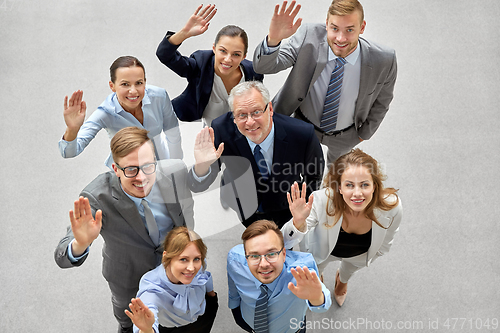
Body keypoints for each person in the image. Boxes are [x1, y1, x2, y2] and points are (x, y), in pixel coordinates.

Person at [54, 127, 194, 333]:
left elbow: (189, 206)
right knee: (128, 322)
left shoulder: (175, 172)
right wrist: (80, 243)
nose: (141, 177)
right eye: (131, 169)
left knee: (178, 313)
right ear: (115, 169)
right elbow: (61, 256)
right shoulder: (96, 196)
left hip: (175, 268)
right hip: (128, 277)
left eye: (148, 166)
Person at [253, 0, 397, 166]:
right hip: (300, 123)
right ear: (327, 24)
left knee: (336, 177)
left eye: (350, 30)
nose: (341, 38)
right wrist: (273, 39)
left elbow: (382, 101)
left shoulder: (384, 60)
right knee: (291, 168)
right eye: (334, 28)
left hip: (346, 135)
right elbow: (264, 66)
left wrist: (363, 134)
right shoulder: (309, 36)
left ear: (362, 27)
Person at [189, 81, 324, 228]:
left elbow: (314, 175)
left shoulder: (302, 134)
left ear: (270, 109)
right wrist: (201, 166)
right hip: (244, 203)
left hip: (286, 207)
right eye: (241, 115)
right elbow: (198, 186)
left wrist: (302, 206)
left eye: (256, 112)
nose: (250, 122)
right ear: (233, 117)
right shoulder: (220, 129)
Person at [282, 148, 402, 306]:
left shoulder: (391, 207)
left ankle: (342, 282)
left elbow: (387, 240)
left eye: (364, 185)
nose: (357, 193)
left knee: (348, 271)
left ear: (374, 186)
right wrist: (297, 222)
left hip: (359, 256)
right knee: (316, 271)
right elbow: (284, 242)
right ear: (339, 187)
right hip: (322, 251)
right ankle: (320, 278)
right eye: (349, 185)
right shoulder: (321, 200)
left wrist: (375, 254)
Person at [59, 56, 183, 169]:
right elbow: (69, 153)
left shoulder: (159, 96)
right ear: (112, 86)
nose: (133, 91)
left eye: (139, 83)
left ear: (145, 82)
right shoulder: (105, 112)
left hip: (161, 164)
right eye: (125, 84)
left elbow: (173, 132)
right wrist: (72, 129)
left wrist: (176, 164)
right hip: (127, 175)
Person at [156, 4, 264, 126]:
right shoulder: (200, 64)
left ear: (244, 56)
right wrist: (184, 33)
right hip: (210, 135)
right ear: (214, 48)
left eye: (236, 54)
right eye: (223, 51)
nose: (228, 59)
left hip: (244, 135)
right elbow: (164, 55)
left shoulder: (253, 73)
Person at [227, 220, 331, 333]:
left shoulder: (299, 272)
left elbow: (323, 302)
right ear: (246, 257)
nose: (264, 264)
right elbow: (234, 289)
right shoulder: (235, 260)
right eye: (254, 256)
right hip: (249, 323)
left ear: (284, 254)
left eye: (271, 254)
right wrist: (235, 311)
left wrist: (317, 298)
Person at [125, 227, 218, 333]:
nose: (192, 268)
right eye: (183, 259)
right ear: (166, 257)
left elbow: (204, 275)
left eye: (196, 259)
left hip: (203, 315)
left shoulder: (199, 263)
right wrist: (146, 329)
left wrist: (211, 296)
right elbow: (148, 309)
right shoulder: (151, 289)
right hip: (173, 329)